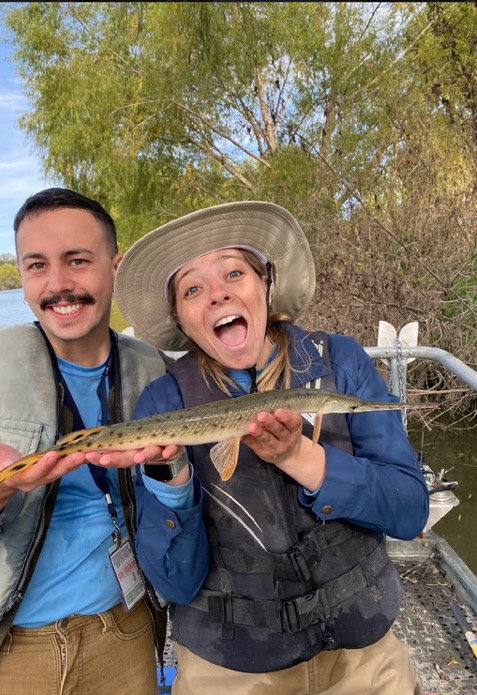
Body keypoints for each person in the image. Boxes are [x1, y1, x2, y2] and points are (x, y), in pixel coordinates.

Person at [113, 200, 430, 695]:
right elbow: (173, 584)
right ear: (181, 317)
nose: (218, 295)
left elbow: (411, 512)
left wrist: (300, 457)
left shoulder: (339, 360)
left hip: (362, 651)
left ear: (266, 283)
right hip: (231, 666)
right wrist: (171, 481)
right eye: (193, 288)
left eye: (234, 272)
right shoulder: (164, 399)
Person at [0, 188, 208, 695]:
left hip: (128, 637)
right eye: (36, 266)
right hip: (1, 652)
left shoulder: (163, 377)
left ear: (114, 267)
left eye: (78, 261)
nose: (59, 285)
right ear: (22, 278)